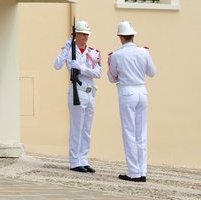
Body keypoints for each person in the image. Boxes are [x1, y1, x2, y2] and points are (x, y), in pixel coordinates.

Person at [107, 20, 156, 183]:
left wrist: (110, 64)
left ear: (120, 37)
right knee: (141, 132)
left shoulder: (117, 55)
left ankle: (133, 171)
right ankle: (142, 170)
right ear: (133, 36)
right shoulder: (144, 52)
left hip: (127, 91)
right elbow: (152, 73)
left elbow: (112, 78)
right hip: (142, 90)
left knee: (129, 131)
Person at [53, 19, 101, 173]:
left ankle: (84, 159)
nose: (86, 37)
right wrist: (66, 48)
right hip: (77, 90)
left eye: (87, 34)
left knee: (87, 128)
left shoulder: (92, 52)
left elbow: (98, 73)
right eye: (82, 34)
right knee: (77, 127)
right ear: (76, 35)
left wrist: (82, 68)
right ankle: (75, 161)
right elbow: (57, 65)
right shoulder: (69, 50)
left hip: (90, 92)